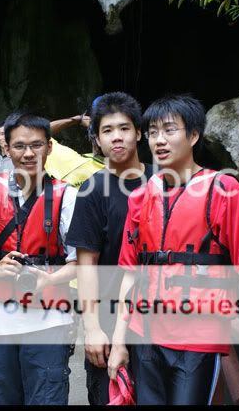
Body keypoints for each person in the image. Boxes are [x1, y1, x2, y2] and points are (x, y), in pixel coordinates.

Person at [107, 94, 239, 405]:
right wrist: (119, 341)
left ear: (193, 136)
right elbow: (131, 274)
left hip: (197, 340)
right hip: (145, 334)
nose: (159, 140)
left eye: (169, 130)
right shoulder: (141, 197)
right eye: (152, 132)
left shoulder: (224, 191)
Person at [0, 112, 78, 405]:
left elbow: (81, 261)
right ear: (6, 148)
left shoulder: (67, 196)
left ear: (49, 147)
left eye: (37, 145)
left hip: (49, 322)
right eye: (19, 146)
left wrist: (50, 279)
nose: (28, 153)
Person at [66, 91, 154, 405]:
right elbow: (86, 265)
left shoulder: (163, 181)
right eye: (107, 130)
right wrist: (92, 328)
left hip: (160, 315)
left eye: (124, 128)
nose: (116, 137)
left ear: (139, 133)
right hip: (107, 316)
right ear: (97, 139)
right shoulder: (92, 191)